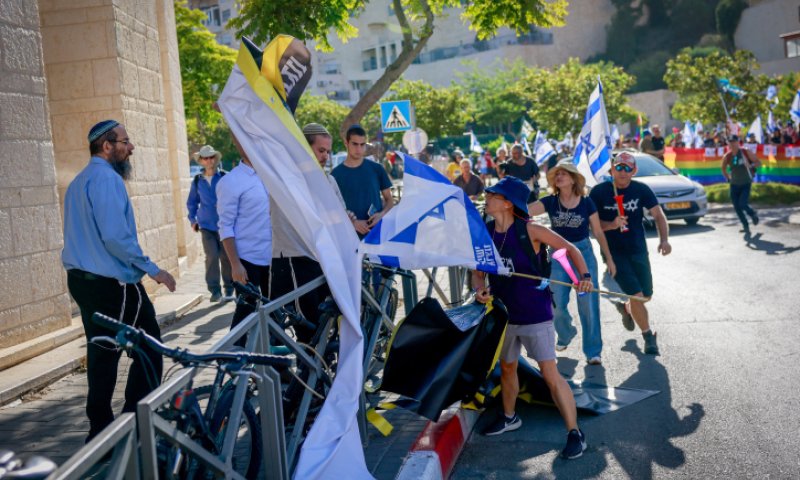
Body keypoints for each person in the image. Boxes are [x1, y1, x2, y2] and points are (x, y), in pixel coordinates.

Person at [62, 120, 177, 441]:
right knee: (149, 348)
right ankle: (135, 422)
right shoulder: (107, 180)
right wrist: (153, 269)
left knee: (102, 353)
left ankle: (100, 430)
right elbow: (115, 237)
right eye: (125, 142)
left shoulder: (79, 182)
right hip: (114, 285)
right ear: (106, 146)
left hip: (83, 282)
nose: (131, 147)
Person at [472, 176, 593, 459]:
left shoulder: (531, 230)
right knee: (508, 368)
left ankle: (575, 433)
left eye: (492, 195)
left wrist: (585, 276)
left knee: (549, 373)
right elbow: (478, 273)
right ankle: (510, 417)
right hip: (503, 315)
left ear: (507, 203)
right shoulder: (486, 233)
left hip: (535, 314)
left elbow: (571, 249)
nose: (486, 198)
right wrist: (479, 290)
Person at [529, 160, 616, 365]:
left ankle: (593, 351)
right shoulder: (550, 201)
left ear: (573, 179)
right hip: (558, 255)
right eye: (557, 174)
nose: (559, 177)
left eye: (564, 174)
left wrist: (609, 259)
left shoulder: (586, 202)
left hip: (583, 254)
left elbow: (598, 232)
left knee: (588, 305)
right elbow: (523, 211)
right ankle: (566, 332)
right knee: (556, 304)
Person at [589, 152, 671, 355]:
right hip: (614, 253)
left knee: (645, 296)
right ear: (612, 170)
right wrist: (611, 224)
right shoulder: (599, 192)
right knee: (637, 295)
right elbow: (592, 226)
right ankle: (648, 336)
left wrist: (664, 240)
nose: (623, 172)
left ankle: (626, 308)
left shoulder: (641, 189)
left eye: (627, 168)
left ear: (634, 170)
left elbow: (658, 215)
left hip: (638, 249)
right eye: (619, 167)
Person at [270, 123, 341, 342]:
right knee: (305, 326)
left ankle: (323, 360)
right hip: (295, 257)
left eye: (328, 151)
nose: (325, 156)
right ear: (305, 148)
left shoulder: (328, 180)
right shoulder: (286, 178)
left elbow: (339, 218)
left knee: (325, 322)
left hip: (323, 260)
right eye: (321, 150)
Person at [216, 133, 271, 346]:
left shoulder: (270, 175)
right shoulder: (231, 181)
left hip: (273, 258)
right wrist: (235, 264)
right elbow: (225, 226)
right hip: (247, 260)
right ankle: (230, 356)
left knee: (274, 314)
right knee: (245, 313)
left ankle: (270, 360)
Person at [187, 145, 233, 303]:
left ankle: (229, 289)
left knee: (226, 257)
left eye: (211, 157)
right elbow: (192, 202)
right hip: (206, 225)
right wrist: (193, 220)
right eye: (205, 158)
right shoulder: (197, 181)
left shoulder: (225, 177)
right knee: (212, 256)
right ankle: (215, 291)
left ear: (215, 159)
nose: (208, 160)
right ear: (201, 161)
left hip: (225, 224)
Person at [331, 124, 394, 239]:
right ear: (346, 143)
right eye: (355, 144)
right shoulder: (335, 175)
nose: (359, 149)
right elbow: (332, 210)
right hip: (349, 238)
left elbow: (389, 200)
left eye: (362, 144)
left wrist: (382, 215)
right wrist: (352, 223)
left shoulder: (377, 169)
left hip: (377, 235)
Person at [721, 135, 760, 234]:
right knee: (737, 207)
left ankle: (753, 214)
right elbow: (723, 168)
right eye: (730, 142)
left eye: (734, 142)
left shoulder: (745, 152)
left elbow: (758, 162)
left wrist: (750, 165)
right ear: (728, 144)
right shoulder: (727, 156)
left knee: (742, 204)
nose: (732, 144)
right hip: (734, 184)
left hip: (746, 183)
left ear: (738, 142)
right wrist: (728, 178)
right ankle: (745, 226)